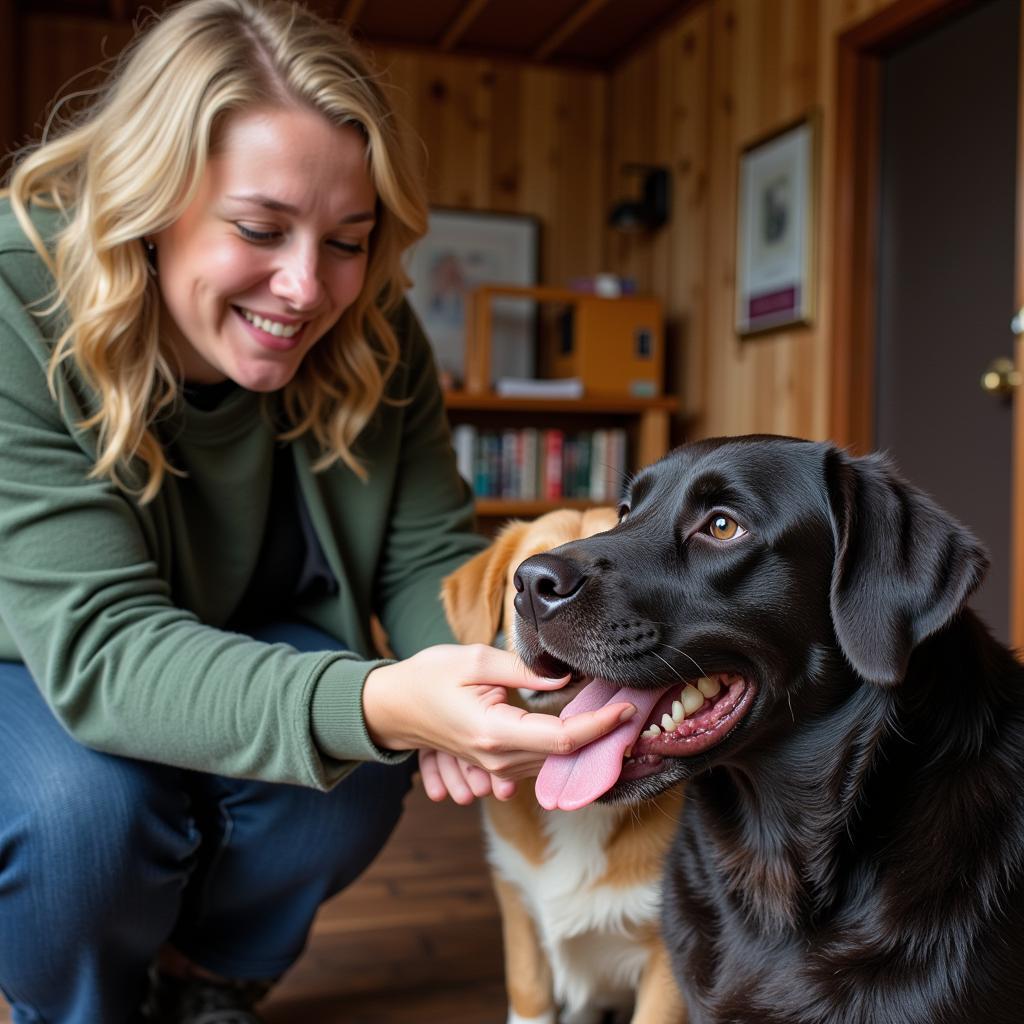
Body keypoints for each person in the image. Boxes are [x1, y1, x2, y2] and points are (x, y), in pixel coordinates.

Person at [0, 2, 637, 1022]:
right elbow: (104, 647)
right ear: (149, 202)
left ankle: (208, 982)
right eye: (259, 229)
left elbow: (426, 553)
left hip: (241, 625)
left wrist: (499, 687)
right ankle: (79, 1005)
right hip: (33, 657)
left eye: (348, 239)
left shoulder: (372, 322)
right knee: (86, 814)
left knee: (356, 771)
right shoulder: (12, 301)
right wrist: (383, 701)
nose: (307, 288)